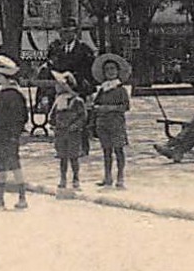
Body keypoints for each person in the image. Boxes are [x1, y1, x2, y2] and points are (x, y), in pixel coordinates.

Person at [0, 55, 29, 209]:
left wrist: (14, 134)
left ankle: (22, 197)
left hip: (9, 135)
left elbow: (20, 117)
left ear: (1, 75)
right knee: (1, 165)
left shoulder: (13, 94)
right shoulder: (2, 92)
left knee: (14, 165)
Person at [91, 53, 131, 188]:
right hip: (103, 124)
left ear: (118, 71)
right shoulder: (102, 89)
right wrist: (97, 108)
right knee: (106, 151)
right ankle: (107, 176)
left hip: (116, 123)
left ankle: (120, 176)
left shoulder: (121, 90)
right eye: (107, 69)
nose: (110, 72)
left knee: (118, 150)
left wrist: (110, 108)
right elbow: (95, 105)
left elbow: (125, 106)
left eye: (113, 69)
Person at [50, 71, 89, 191]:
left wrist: (76, 125)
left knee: (73, 157)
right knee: (62, 157)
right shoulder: (58, 101)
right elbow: (52, 115)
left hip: (73, 133)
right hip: (60, 132)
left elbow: (83, 116)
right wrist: (53, 124)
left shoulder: (77, 101)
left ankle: (76, 178)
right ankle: (63, 178)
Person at [48, 20, 97, 97]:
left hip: (81, 88)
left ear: (75, 33)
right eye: (63, 32)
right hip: (62, 88)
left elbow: (90, 70)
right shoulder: (59, 50)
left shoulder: (84, 49)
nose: (65, 35)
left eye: (68, 32)